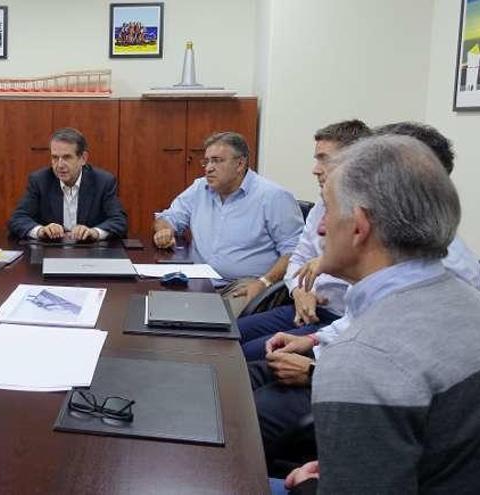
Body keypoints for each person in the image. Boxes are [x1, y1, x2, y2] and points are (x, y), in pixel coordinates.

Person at [252, 121, 480, 470]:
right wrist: (314, 338)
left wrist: (312, 485)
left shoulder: (361, 356)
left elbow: (376, 359)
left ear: (359, 226)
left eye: (327, 211)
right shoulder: (432, 285)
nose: (321, 228)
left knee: (237, 425)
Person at [238, 120, 372, 361]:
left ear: (355, 162)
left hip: (340, 319)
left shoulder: (370, 211)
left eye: (324, 159)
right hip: (303, 306)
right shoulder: (324, 202)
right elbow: (298, 257)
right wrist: (298, 291)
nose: (316, 169)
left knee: (246, 356)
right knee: (230, 336)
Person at [153, 131, 304, 316]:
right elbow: (168, 217)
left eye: (216, 161)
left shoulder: (273, 197)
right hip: (199, 281)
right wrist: (164, 230)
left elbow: (295, 252)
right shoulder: (200, 188)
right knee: (159, 314)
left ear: (240, 164)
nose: (208, 168)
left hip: (243, 284)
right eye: (206, 161)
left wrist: (264, 282)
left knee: (214, 326)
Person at [7, 127, 127, 241]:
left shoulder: (103, 182)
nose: (59, 165)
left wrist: (94, 232)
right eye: (55, 158)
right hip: (50, 252)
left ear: (83, 158)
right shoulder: (40, 180)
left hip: (89, 252)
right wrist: (40, 230)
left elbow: (119, 221)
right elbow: (17, 219)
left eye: (67, 157)